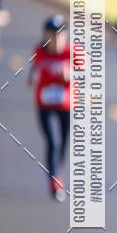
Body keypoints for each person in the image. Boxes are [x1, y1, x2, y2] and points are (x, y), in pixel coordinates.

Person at [29, 15, 71, 202]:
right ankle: (54, 181)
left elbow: (85, 74)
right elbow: (34, 69)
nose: (55, 38)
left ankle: (55, 170)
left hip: (65, 105)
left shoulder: (72, 52)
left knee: (63, 143)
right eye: (52, 34)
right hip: (44, 105)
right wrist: (32, 77)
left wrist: (69, 75)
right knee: (52, 141)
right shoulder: (39, 51)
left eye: (59, 34)